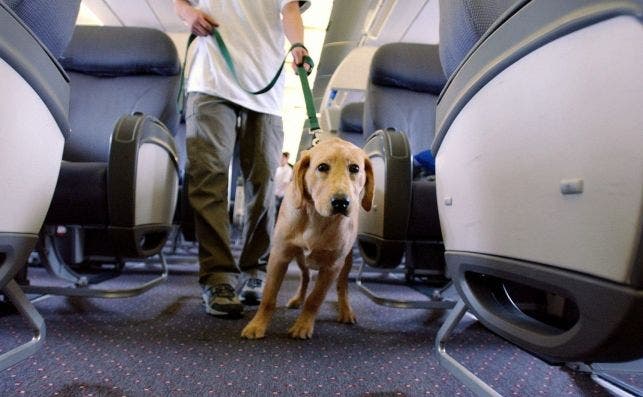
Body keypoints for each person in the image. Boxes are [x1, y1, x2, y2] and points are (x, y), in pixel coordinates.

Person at [174, 0, 311, 316]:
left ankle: (256, 272)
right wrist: (188, 14)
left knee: (262, 183)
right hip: (210, 80)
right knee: (208, 179)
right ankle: (217, 277)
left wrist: (299, 44)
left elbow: (289, 8)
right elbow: (179, 2)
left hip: (266, 88)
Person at [274, 152, 293, 217]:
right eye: (280, 158)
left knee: (275, 212)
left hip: (279, 195)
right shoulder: (278, 168)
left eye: (283, 158)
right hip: (274, 192)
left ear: (286, 159)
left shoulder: (288, 170)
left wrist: (278, 192)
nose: (281, 160)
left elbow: (286, 183)